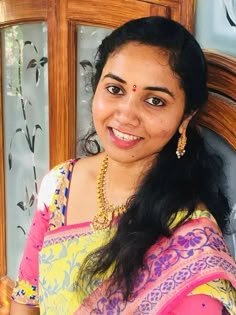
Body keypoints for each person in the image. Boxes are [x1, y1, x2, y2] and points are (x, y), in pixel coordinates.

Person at [10, 16, 236, 315]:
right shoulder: (59, 185)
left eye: (155, 100)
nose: (126, 115)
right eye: (115, 90)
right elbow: (26, 301)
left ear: (185, 117)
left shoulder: (191, 248)